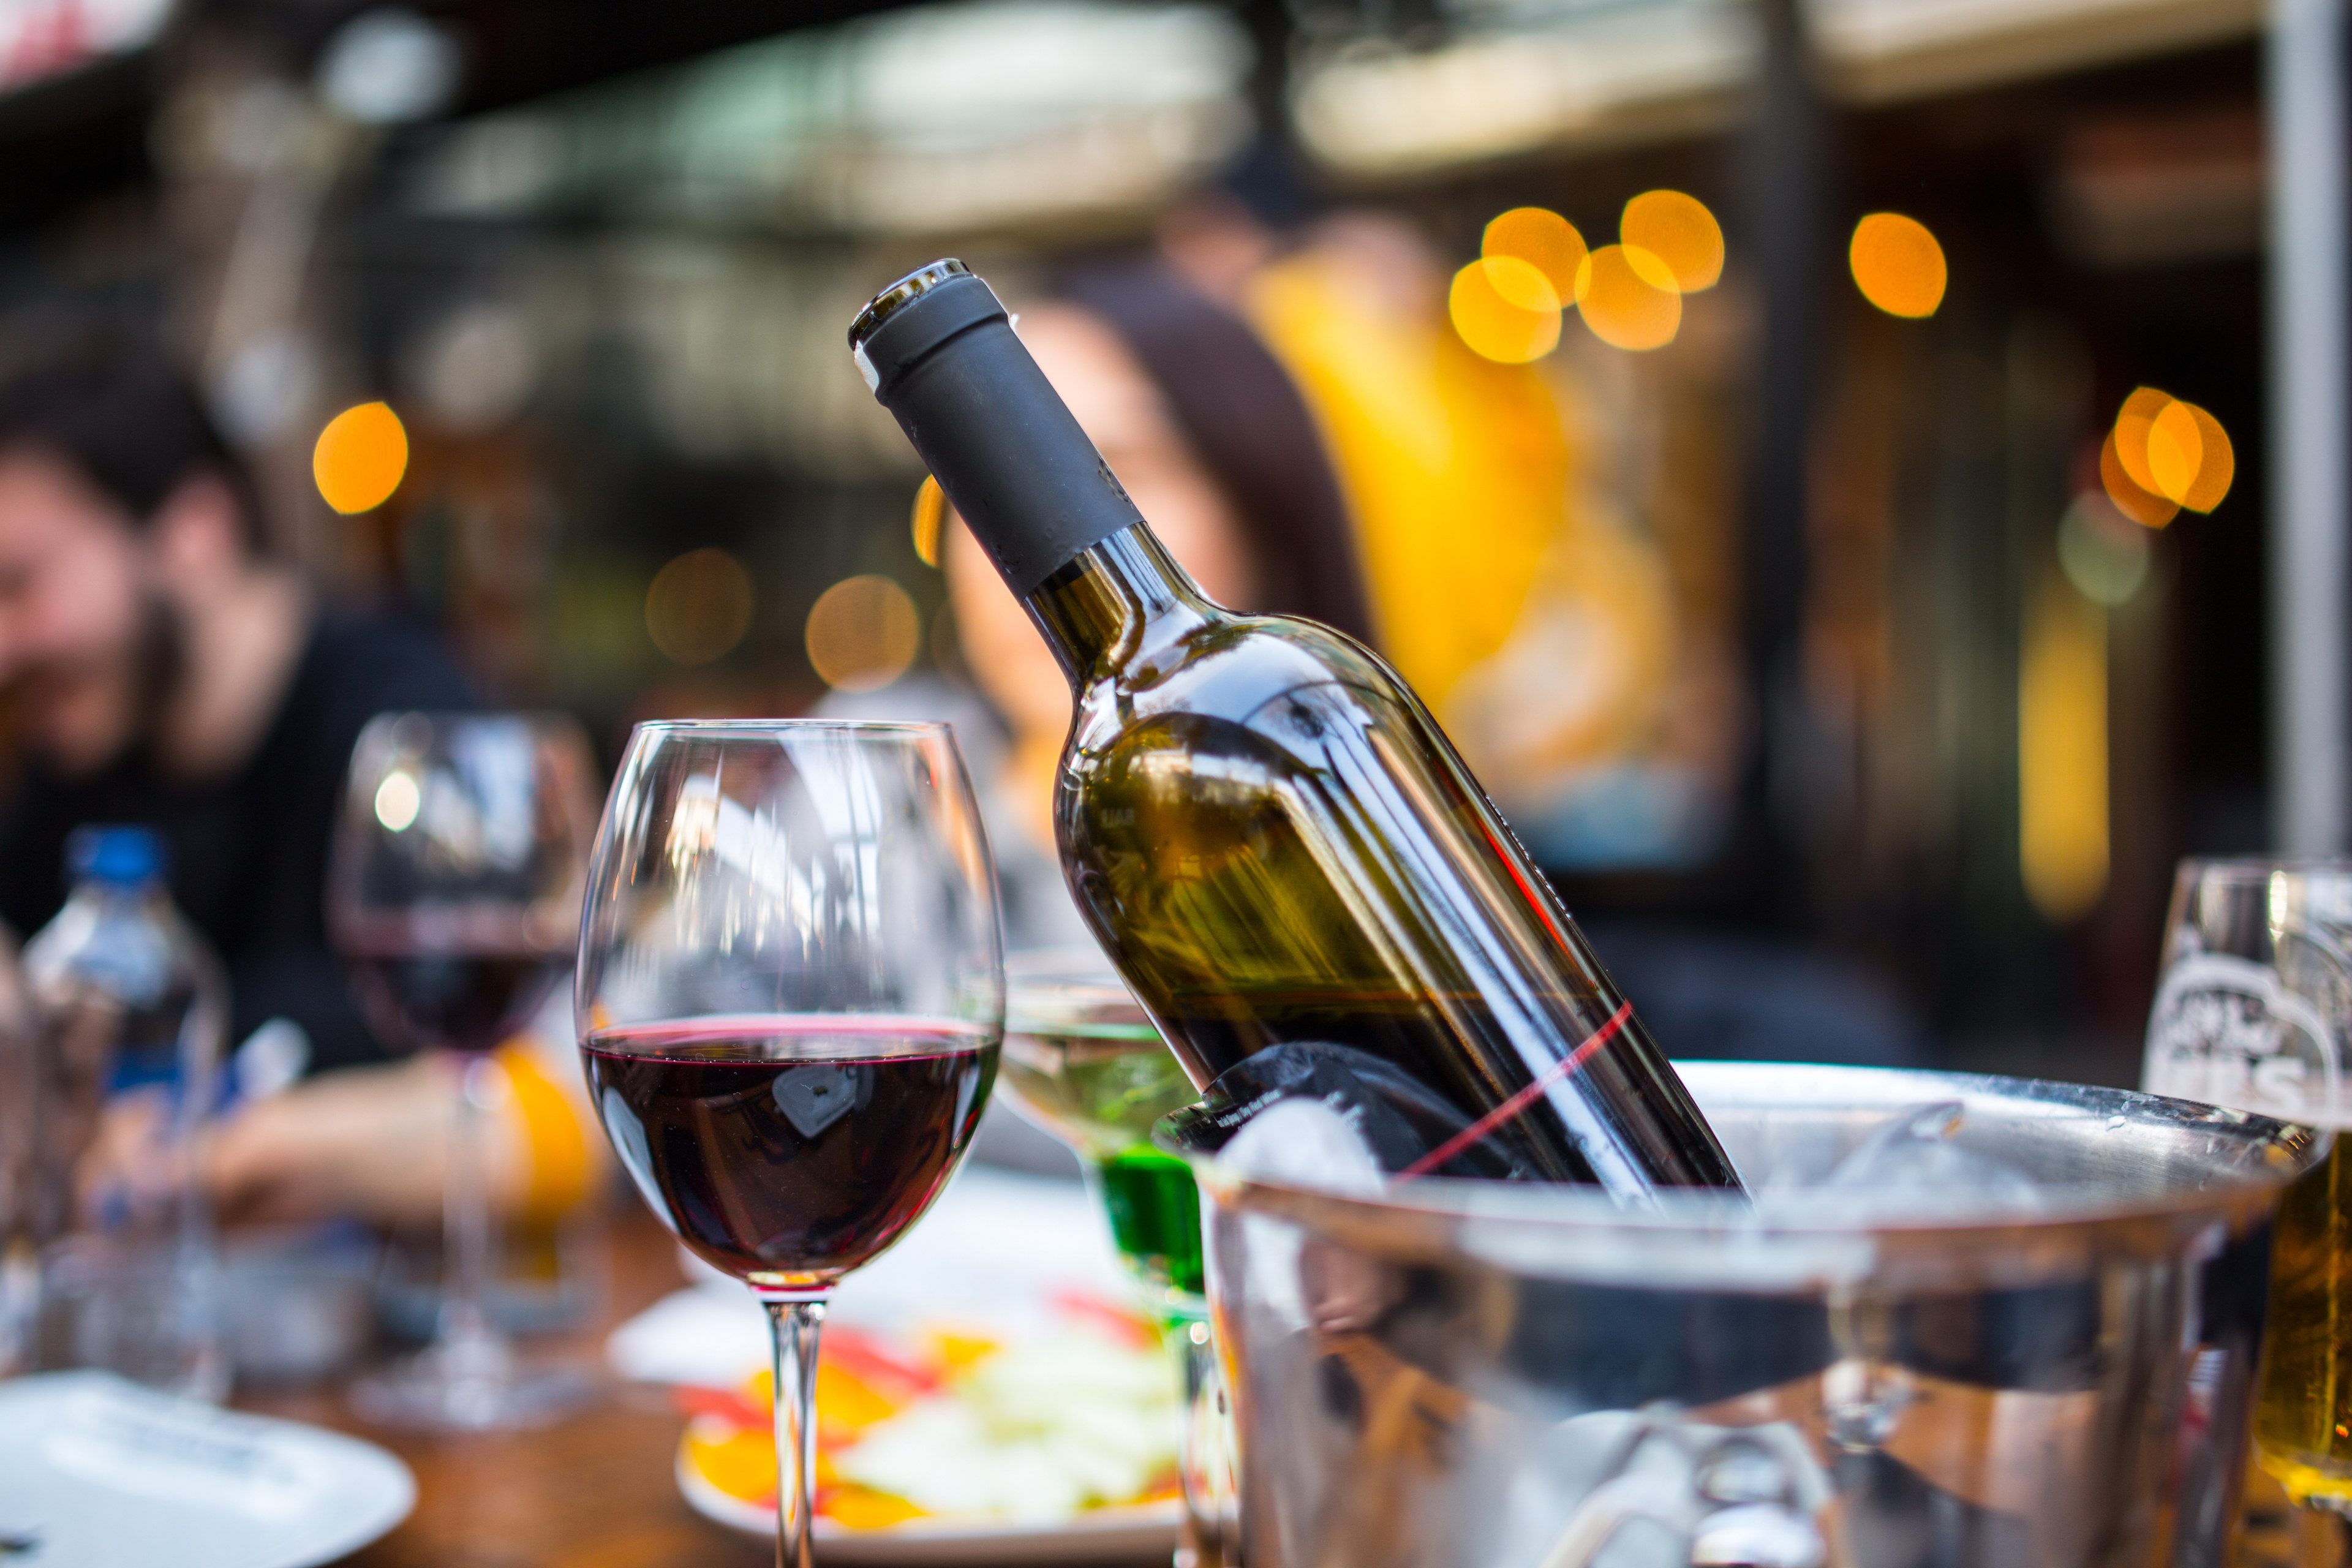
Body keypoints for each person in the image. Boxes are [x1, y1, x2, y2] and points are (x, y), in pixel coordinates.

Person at [0, 320, 593, 1224]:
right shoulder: (69, 771)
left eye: (20, 585)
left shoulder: (402, 718)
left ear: (192, 533)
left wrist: (237, 1148)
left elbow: (544, 1078)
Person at [838, 262, 1376, 952]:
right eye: (988, 482)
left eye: (1109, 467)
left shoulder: (1375, 833)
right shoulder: (867, 794)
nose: (1023, 543)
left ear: (1263, 510)